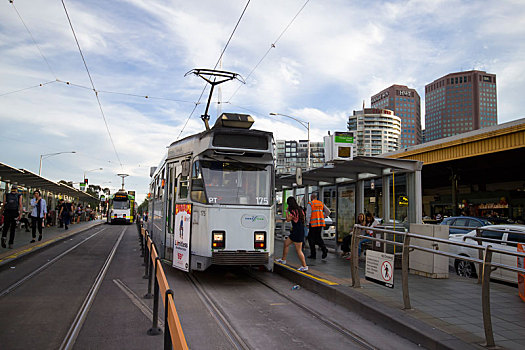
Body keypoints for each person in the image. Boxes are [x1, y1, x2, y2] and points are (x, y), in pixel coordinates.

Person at [276, 197, 308, 272]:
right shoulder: (300, 210)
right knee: (286, 243)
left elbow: (287, 219)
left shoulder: (293, 212)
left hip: (297, 232)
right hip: (298, 230)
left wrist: (286, 212)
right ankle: (283, 259)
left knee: (298, 250)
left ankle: (304, 266)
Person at [306, 193, 331, 260]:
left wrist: (308, 223)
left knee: (310, 238)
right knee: (318, 237)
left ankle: (313, 254)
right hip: (320, 223)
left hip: (313, 223)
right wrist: (322, 216)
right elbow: (328, 212)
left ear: (311, 197)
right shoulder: (321, 203)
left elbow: (308, 215)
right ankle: (324, 249)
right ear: (316, 197)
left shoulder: (310, 204)